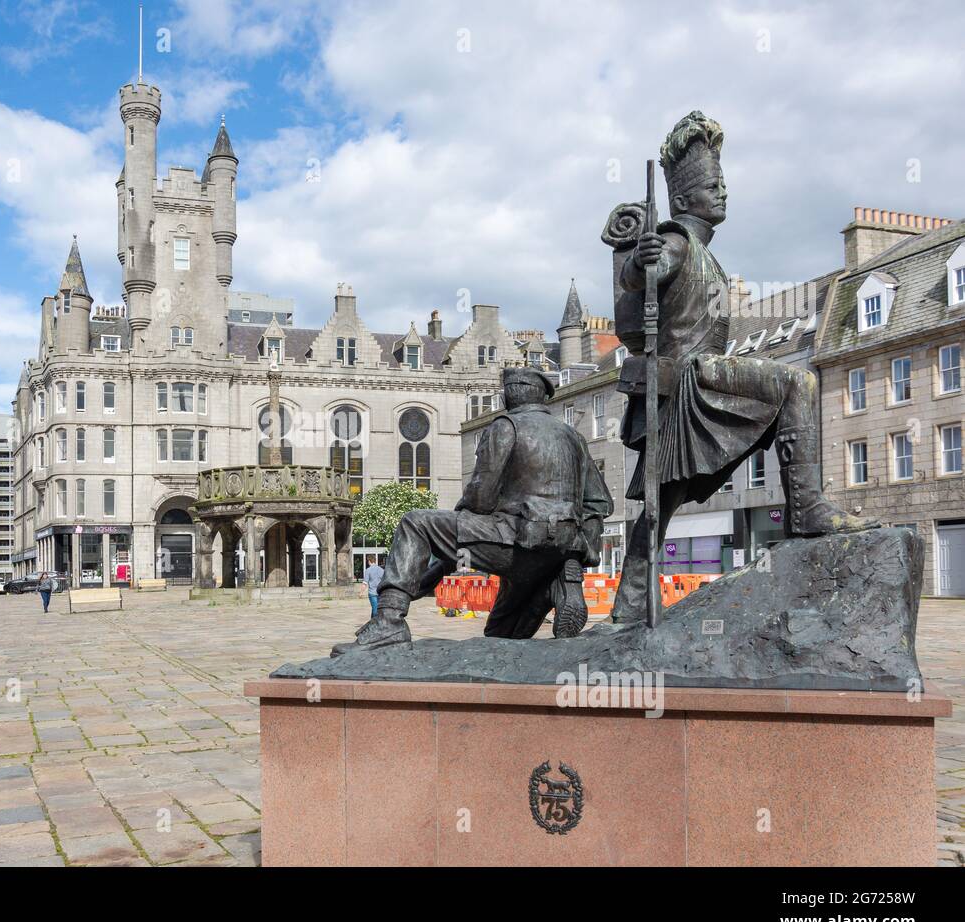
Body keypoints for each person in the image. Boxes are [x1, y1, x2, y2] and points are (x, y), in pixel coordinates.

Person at [606, 111, 876, 625]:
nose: (724, 192)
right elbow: (646, 276)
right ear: (684, 200)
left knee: (663, 500)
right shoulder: (679, 242)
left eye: (723, 182)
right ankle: (807, 509)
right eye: (713, 184)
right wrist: (636, 261)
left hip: (691, 379)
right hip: (690, 379)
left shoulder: (707, 255)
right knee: (798, 381)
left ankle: (627, 604)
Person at [334, 366, 613, 656]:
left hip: (515, 539)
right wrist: (576, 550)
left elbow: (481, 495)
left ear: (507, 397)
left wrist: (457, 533)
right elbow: (599, 504)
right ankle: (559, 582)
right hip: (557, 551)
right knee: (499, 636)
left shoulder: (506, 426)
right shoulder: (574, 437)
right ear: (543, 398)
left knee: (415, 523)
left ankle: (389, 620)